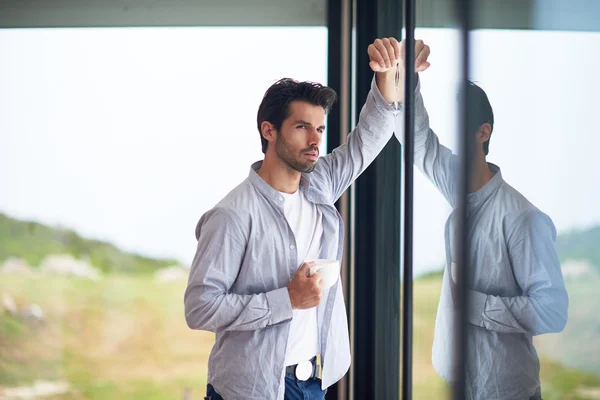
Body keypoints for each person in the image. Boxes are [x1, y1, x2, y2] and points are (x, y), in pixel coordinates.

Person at [184, 37, 431, 400]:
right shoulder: (232, 215)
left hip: (313, 381)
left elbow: (368, 139)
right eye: (302, 127)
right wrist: (288, 298)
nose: (315, 140)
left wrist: (388, 75)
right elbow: (200, 308)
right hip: (250, 390)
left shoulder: (320, 185)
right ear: (269, 131)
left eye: (320, 129)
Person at [393, 51, 569, 399]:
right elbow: (417, 141)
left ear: (482, 132)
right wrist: (408, 78)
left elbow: (553, 311)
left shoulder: (522, 218)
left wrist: (477, 307)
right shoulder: (457, 185)